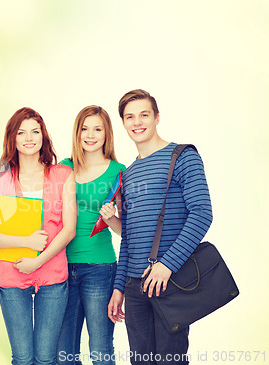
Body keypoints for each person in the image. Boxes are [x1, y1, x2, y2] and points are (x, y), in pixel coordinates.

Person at [108, 89, 213, 365]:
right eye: (129, 117)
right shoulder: (127, 174)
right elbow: (128, 237)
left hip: (172, 280)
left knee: (170, 361)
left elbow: (202, 214)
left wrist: (166, 265)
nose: (137, 122)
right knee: (140, 361)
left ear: (156, 117)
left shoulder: (183, 156)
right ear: (123, 123)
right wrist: (120, 286)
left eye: (144, 114)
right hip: (134, 286)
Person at [0, 107, 77, 365]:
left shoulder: (63, 175)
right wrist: (25, 243)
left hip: (53, 274)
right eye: (22, 132)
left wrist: (38, 259)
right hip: (11, 276)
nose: (29, 137)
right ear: (13, 138)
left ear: (43, 136)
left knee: (45, 358)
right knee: (22, 358)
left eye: (35, 131)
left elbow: (69, 229)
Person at [57, 106, 125, 365]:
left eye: (97, 129)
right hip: (62, 266)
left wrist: (110, 218)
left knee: (100, 350)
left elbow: (124, 231)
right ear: (77, 132)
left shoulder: (119, 171)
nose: (90, 135)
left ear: (107, 133)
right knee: (64, 352)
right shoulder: (63, 167)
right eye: (85, 128)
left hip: (100, 268)